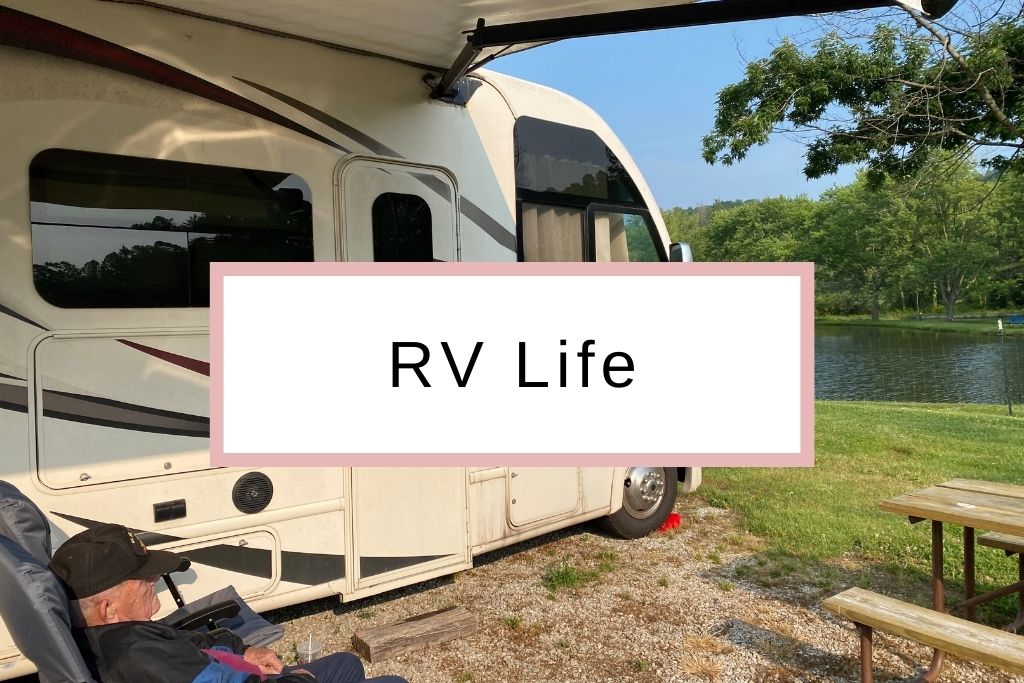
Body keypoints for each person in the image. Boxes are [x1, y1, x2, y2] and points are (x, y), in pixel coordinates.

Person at [49, 524, 408, 683]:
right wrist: (298, 677)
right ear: (108, 608)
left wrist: (243, 649)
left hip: (239, 672)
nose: (153, 581)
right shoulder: (140, 660)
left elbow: (186, 643)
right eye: (142, 579)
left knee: (346, 662)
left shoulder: (119, 635)